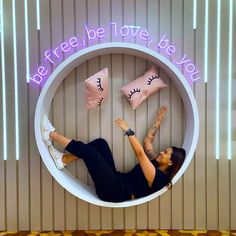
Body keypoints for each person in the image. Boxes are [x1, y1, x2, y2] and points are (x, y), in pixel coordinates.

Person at [41, 106, 185, 202]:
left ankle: (51, 134)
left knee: (91, 153)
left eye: (165, 153)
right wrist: (159, 119)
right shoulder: (155, 162)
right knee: (100, 144)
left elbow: (141, 153)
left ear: (170, 162)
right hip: (116, 180)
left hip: (115, 192)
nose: (161, 152)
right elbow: (148, 141)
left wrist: (128, 131)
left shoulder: (159, 178)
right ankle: (63, 159)